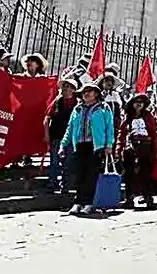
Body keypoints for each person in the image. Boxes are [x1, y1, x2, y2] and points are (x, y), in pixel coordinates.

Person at [59, 81, 115, 216]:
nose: (86, 94)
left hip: (96, 147)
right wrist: (63, 144)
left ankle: (89, 203)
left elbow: (110, 127)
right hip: (79, 145)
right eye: (84, 92)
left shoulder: (104, 108)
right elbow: (70, 128)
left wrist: (109, 145)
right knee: (80, 175)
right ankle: (78, 202)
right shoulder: (77, 109)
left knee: (91, 175)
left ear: (96, 94)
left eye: (89, 91)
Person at [117, 93, 157, 209]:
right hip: (130, 147)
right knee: (129, 174)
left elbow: (153, 133)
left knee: (145, 173)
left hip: (145, 147)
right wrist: (118, 149)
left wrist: (155, 150)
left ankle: (148, 197)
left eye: (141, 102)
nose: (139, 104)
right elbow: (122, 134)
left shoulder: (148, 116)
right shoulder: (127, 117)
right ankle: (129, 198)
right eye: (136, 102)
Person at [44, 76, 78, 193]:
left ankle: (65, 185)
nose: (64, 89)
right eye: (64, 86)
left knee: (68, 163)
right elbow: (47, 119)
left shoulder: (77, 105)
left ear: (73, 90)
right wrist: (47, 135)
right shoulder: (57, 102)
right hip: (56, 136)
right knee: (54, 161)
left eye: (67, 87)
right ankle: (52, 183)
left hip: (70, 139)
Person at [99, 63, 125, 130]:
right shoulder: (97, 94)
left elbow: (122, 108)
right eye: (107, 80)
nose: (109, 83)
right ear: (102, 82)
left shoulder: (116, 95)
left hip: (114, 126)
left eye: (111, 81)